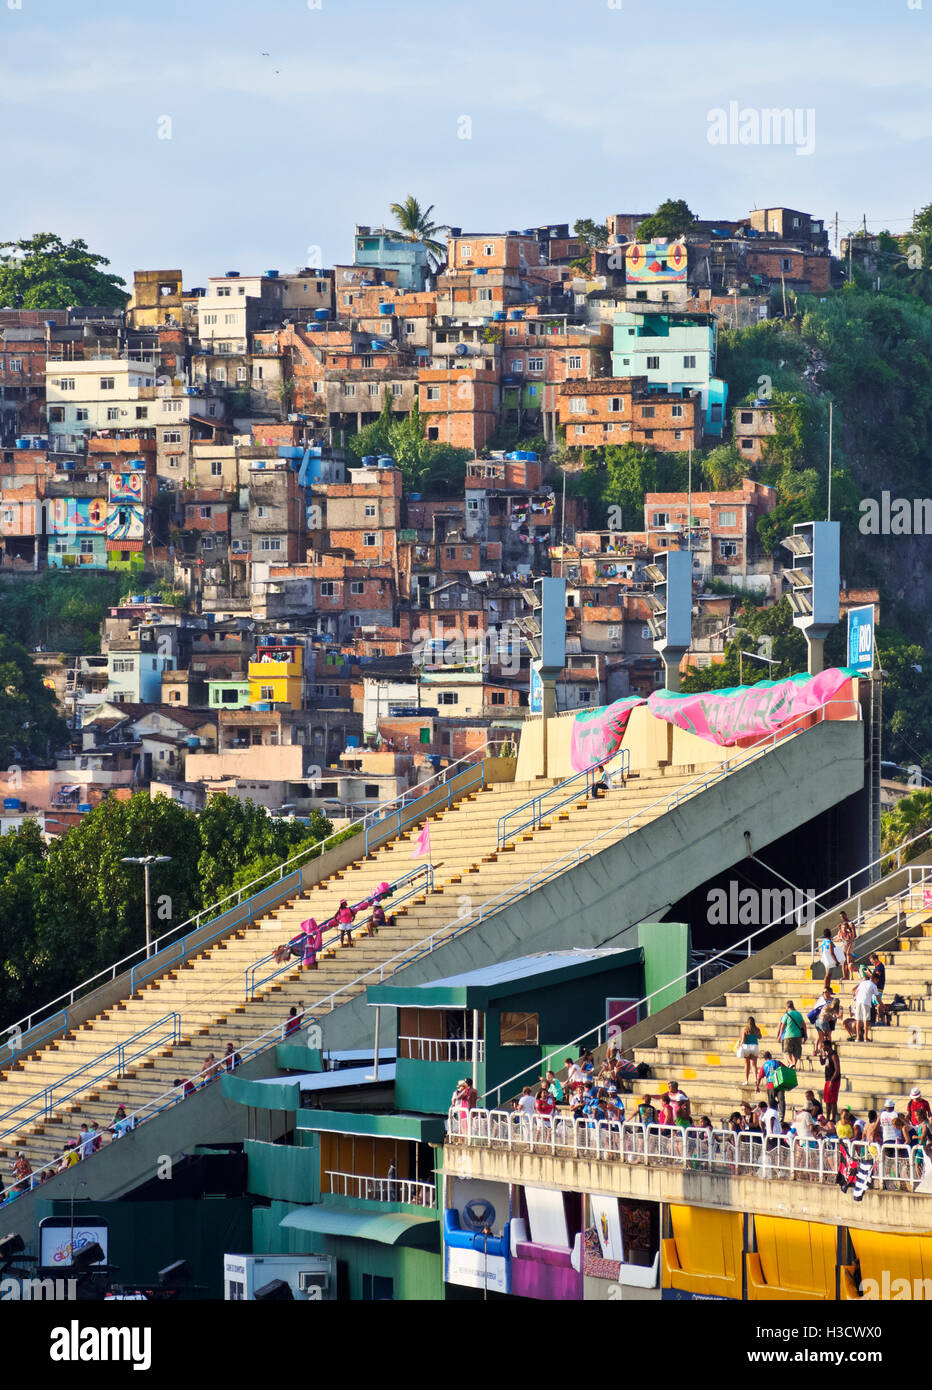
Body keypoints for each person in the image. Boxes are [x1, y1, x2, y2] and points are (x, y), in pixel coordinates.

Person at [777, 1000, 807, 1068]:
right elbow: (804, 1025)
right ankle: (794, 1065)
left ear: (787, 1007)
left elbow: (782, 1026)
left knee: (786, 1052)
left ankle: (790, 1063)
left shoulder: (786, 1015)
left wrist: (780, 1036)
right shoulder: (799, 1014)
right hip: (798, 1036)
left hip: (788, 1036)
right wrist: (805, 1035)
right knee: (796, 1053)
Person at [853, 973, 880, 1043]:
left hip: (858, 1002)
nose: (877, 982)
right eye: (877, 981)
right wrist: (882, 1004)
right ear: (875, 979)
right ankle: (865, 1037)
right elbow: (877, 997)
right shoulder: (873, 985)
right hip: (866, 1003)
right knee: (865, 1020)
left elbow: (856, 991)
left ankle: (858, 1037)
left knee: (858, 1020)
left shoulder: (863, 982)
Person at [736, 1016, 761, 1083]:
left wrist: (739, 1045)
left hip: (746, 1047)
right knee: (754, 1064)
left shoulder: (745, 1030)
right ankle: (756, 1078)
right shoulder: (757, 1029)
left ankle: (746, 1080)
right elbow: (760, 1037)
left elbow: (743, 1040)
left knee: (747, 1064)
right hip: (754, 1047)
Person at [823, 1041, 841, 1123]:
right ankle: (827, 1117)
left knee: (833, 1101)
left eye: (823, 1046)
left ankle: (833, 1118)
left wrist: (831, 1081)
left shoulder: (834, 1055)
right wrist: (820, 1057)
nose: (822, 1047)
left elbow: (837, 1070)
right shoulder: (827, 1055)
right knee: (827, 1100)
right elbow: (823, 1063)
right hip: (827, 1079)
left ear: (827, 1046)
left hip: (834, 1080)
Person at [836, 911, 856, 980]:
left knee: (848, 961)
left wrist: (850, 945)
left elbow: (854, 935)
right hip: (844, 944)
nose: (842, 918)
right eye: (841, 917)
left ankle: (851, 976)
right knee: (843, 961)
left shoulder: (850, 924)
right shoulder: (842, 924)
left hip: (850, 943)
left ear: (846, 915)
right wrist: (839, 929)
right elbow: (841, 935)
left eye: (843, 916)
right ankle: (845, 976)